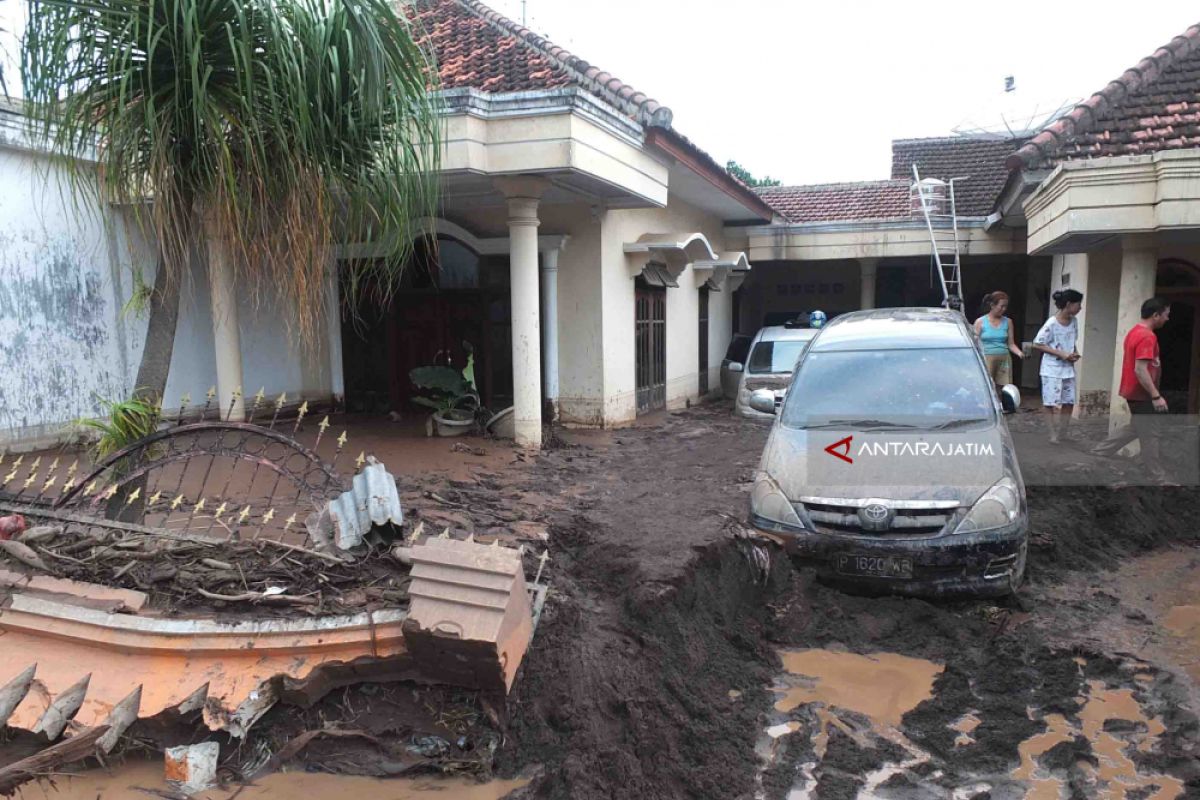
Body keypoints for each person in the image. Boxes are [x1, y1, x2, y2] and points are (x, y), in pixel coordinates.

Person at [1091, 298, 1173, 483]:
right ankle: (1157, 476)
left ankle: (1100, 450)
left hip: (1133, 391)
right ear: (1156, 315)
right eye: (1166, 315)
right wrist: (1156, 396)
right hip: (1141, 393)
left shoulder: (1134, 332)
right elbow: (1140, 369)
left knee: (1137, 427)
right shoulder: (1147, 336)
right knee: (1150, 433)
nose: (1167, 319)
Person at [1031, 289, 1083, 443]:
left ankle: (1063, 432)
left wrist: (1074, 353)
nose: (1080, 308)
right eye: (1078, 304)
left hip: (1067, 368)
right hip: (1051, 368)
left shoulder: (1074, 322)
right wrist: (1061, 354)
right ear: (1068, 304)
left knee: (1069, 401)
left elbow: (1072, 342)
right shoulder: (1052, 323)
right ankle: (1052, 433)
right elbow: (1037, 343)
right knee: (1050, 402)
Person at [973, 291, 1024, 394]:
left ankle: (1002, 408)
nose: (1003, 309)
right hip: (986, 357)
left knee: (1003, 389)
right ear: (992, 305)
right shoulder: (980, 322)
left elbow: (1011, 343)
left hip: (1004, 358)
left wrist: (1020, 353)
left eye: (1006, 307)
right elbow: (975, 343)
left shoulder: (1008, 321)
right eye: (1001, 306)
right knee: (987, 386)